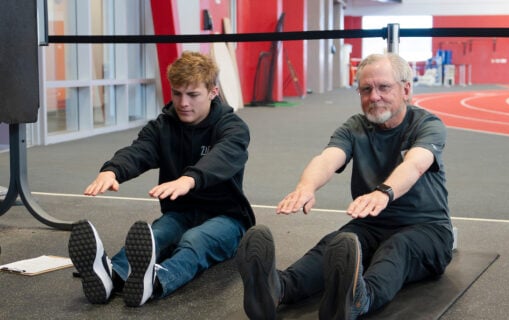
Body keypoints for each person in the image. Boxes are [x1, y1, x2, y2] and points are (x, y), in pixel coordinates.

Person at [236, 52, 454, 319]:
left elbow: (415, 164)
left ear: (406, 90)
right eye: (366, 89)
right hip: (371, 223)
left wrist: (384, 192)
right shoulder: (354, 127)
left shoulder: (427, 125)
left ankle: (361, 299)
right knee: (336, 245)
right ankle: (278, 289)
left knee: (398, 248)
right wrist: (306, 187)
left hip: (427, 229)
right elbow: (327, 159)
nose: (374, 96)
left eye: (384, 87)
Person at [68, 51, 255, 307]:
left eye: (192, 95)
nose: (183, 103)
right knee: (157, 234)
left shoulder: (232, 127)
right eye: (176, 93)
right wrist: (112, 170)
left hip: (227, 218)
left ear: (213, 92)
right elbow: (140, 150)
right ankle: (111, 273)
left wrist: (188, 180)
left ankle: (155, 282)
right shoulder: (163, 126)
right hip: (181, 212)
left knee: (194, 241)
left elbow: (224, 156)